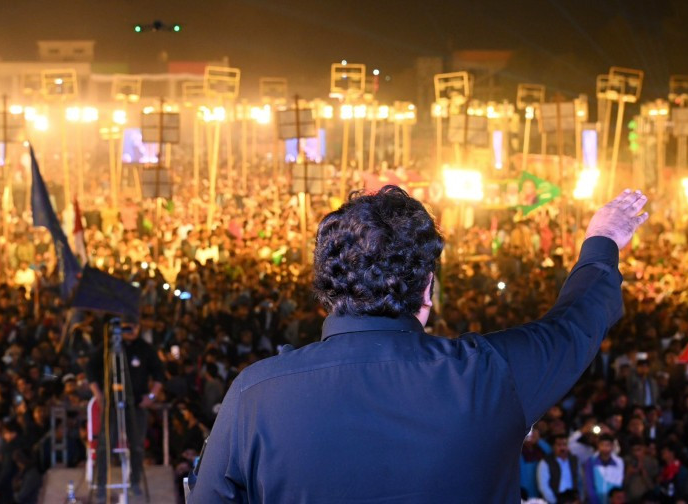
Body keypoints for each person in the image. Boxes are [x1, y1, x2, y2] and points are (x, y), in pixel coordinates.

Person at [190, 186, 649, 502]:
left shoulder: (255, 394)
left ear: (327, 292)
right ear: (428, 289)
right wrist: (603, 238)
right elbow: (576, 324)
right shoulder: (489, 375)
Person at [86, 321, 164, 501]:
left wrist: (151, 397)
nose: (131, 330)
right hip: (112, 404)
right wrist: (98, 394)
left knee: (137, 445)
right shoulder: (109, 347)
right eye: (127, 326)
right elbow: (90, 368)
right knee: (105, 445)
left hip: (136, 405)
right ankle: (101, 485)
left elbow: (160, 373)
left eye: (134, 326)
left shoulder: (145, 348)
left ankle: (135, 481)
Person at [537, 433, 581, 503]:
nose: (562, 448)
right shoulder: (545, 462)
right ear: (553, 446)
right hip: (556, 498)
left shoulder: (574, 460)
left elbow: (580, 481)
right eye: (559, 445)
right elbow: (543, 487)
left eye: (565, 445)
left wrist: (579, 498)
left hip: (573, 498)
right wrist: (555, 501)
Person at [583, 433, 624, 504]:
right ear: (598, 446)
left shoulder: (619, 462)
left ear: (612, 446)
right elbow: (589, 484)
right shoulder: (590, 462)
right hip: (595, 500)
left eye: (607, 445)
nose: (605, 448)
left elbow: (619, 483)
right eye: (602, 445)